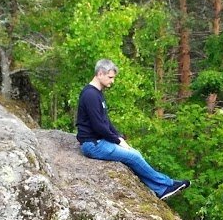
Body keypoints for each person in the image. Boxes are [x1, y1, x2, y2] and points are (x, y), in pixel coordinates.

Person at [77, 59, 190, 200]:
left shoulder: (97, 93)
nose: (112, 81)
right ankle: (167, 184)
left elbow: (106, 121)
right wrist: (117, 140)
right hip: (93, 144)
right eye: (110, 77)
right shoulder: (90, 95)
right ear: (100, 73)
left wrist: (118, 136)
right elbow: (98, 126)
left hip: (100, 140)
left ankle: (161, 189)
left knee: (134, 153)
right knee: (134, 157)